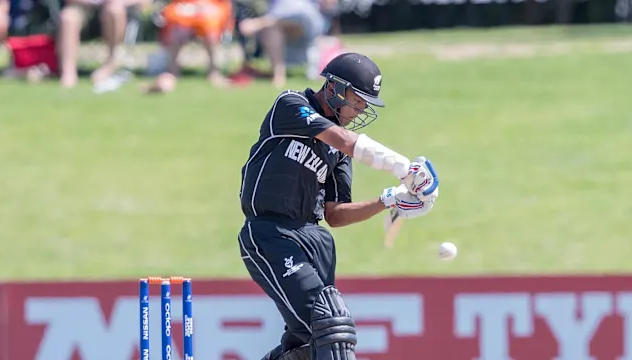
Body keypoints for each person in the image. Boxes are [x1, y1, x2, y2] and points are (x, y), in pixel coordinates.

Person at [237, 52, 440, 360]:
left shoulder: (339, 152)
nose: (359, 110)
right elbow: (345, 141)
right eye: (356, 100)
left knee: (309, 344)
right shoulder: (290, 106)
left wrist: (390, 200)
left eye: (364, 104)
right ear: (333, 88)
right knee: (329, 326)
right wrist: (404, 168)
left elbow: (335, 215)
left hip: (315, 239)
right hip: (271, 233)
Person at [232, 0, 328, 88]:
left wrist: (256, 24)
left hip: (308, 34)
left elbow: (285, 18)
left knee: (270, 29)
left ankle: (279, 75)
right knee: (270, 31)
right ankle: (277, 74)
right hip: (291, 37)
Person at [143, 0, 234, 93]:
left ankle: (214, 72)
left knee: (210, 26)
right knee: (178, 28)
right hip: (184, 7)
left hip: (212, 8)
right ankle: (172, 71)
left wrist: (204, 6)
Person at [56, 0, 149, 88]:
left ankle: (110, 64)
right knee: (68, 16)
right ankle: (68, 72)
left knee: (114, 9)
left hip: (118, 14)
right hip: (86, 10)